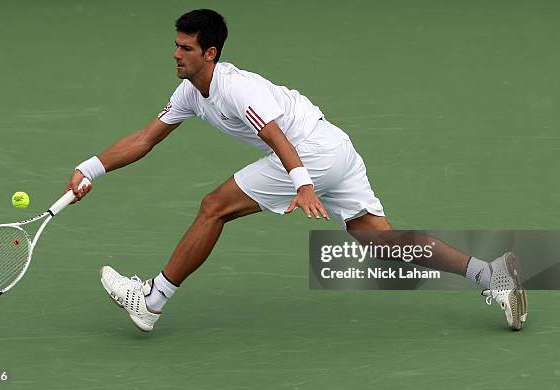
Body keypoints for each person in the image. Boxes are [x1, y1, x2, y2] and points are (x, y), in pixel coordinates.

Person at [65, 9, 527, 332]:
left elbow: (274, 137)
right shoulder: (190, 92)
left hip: (310, 154)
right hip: (335, 148)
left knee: (213, 208)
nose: (176, 55)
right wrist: (90, 169)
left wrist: (302, 185)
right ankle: (490, 276)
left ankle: (151, 302)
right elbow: (144, 139)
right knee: (380, 240)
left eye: (186, 48)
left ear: (211, 54)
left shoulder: (235, 89)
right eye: (175, 46)